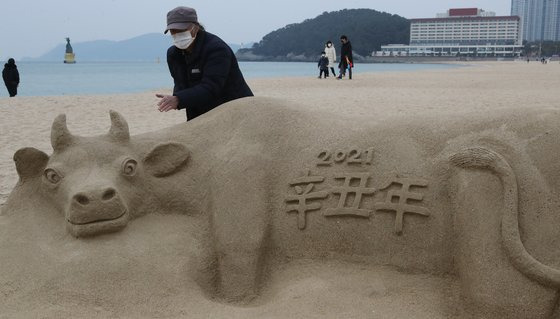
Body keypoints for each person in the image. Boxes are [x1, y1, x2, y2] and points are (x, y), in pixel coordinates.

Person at [156, 6, 253, 121]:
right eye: (173, 31)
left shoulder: (217, 48)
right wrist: (174, 98)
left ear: (195, 28)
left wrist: (179, 99)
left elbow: (211, 87)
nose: (177, 34)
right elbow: (180, 85)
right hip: (199, 115)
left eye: (182, 30)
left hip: (236, 110)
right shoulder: (173, 54)